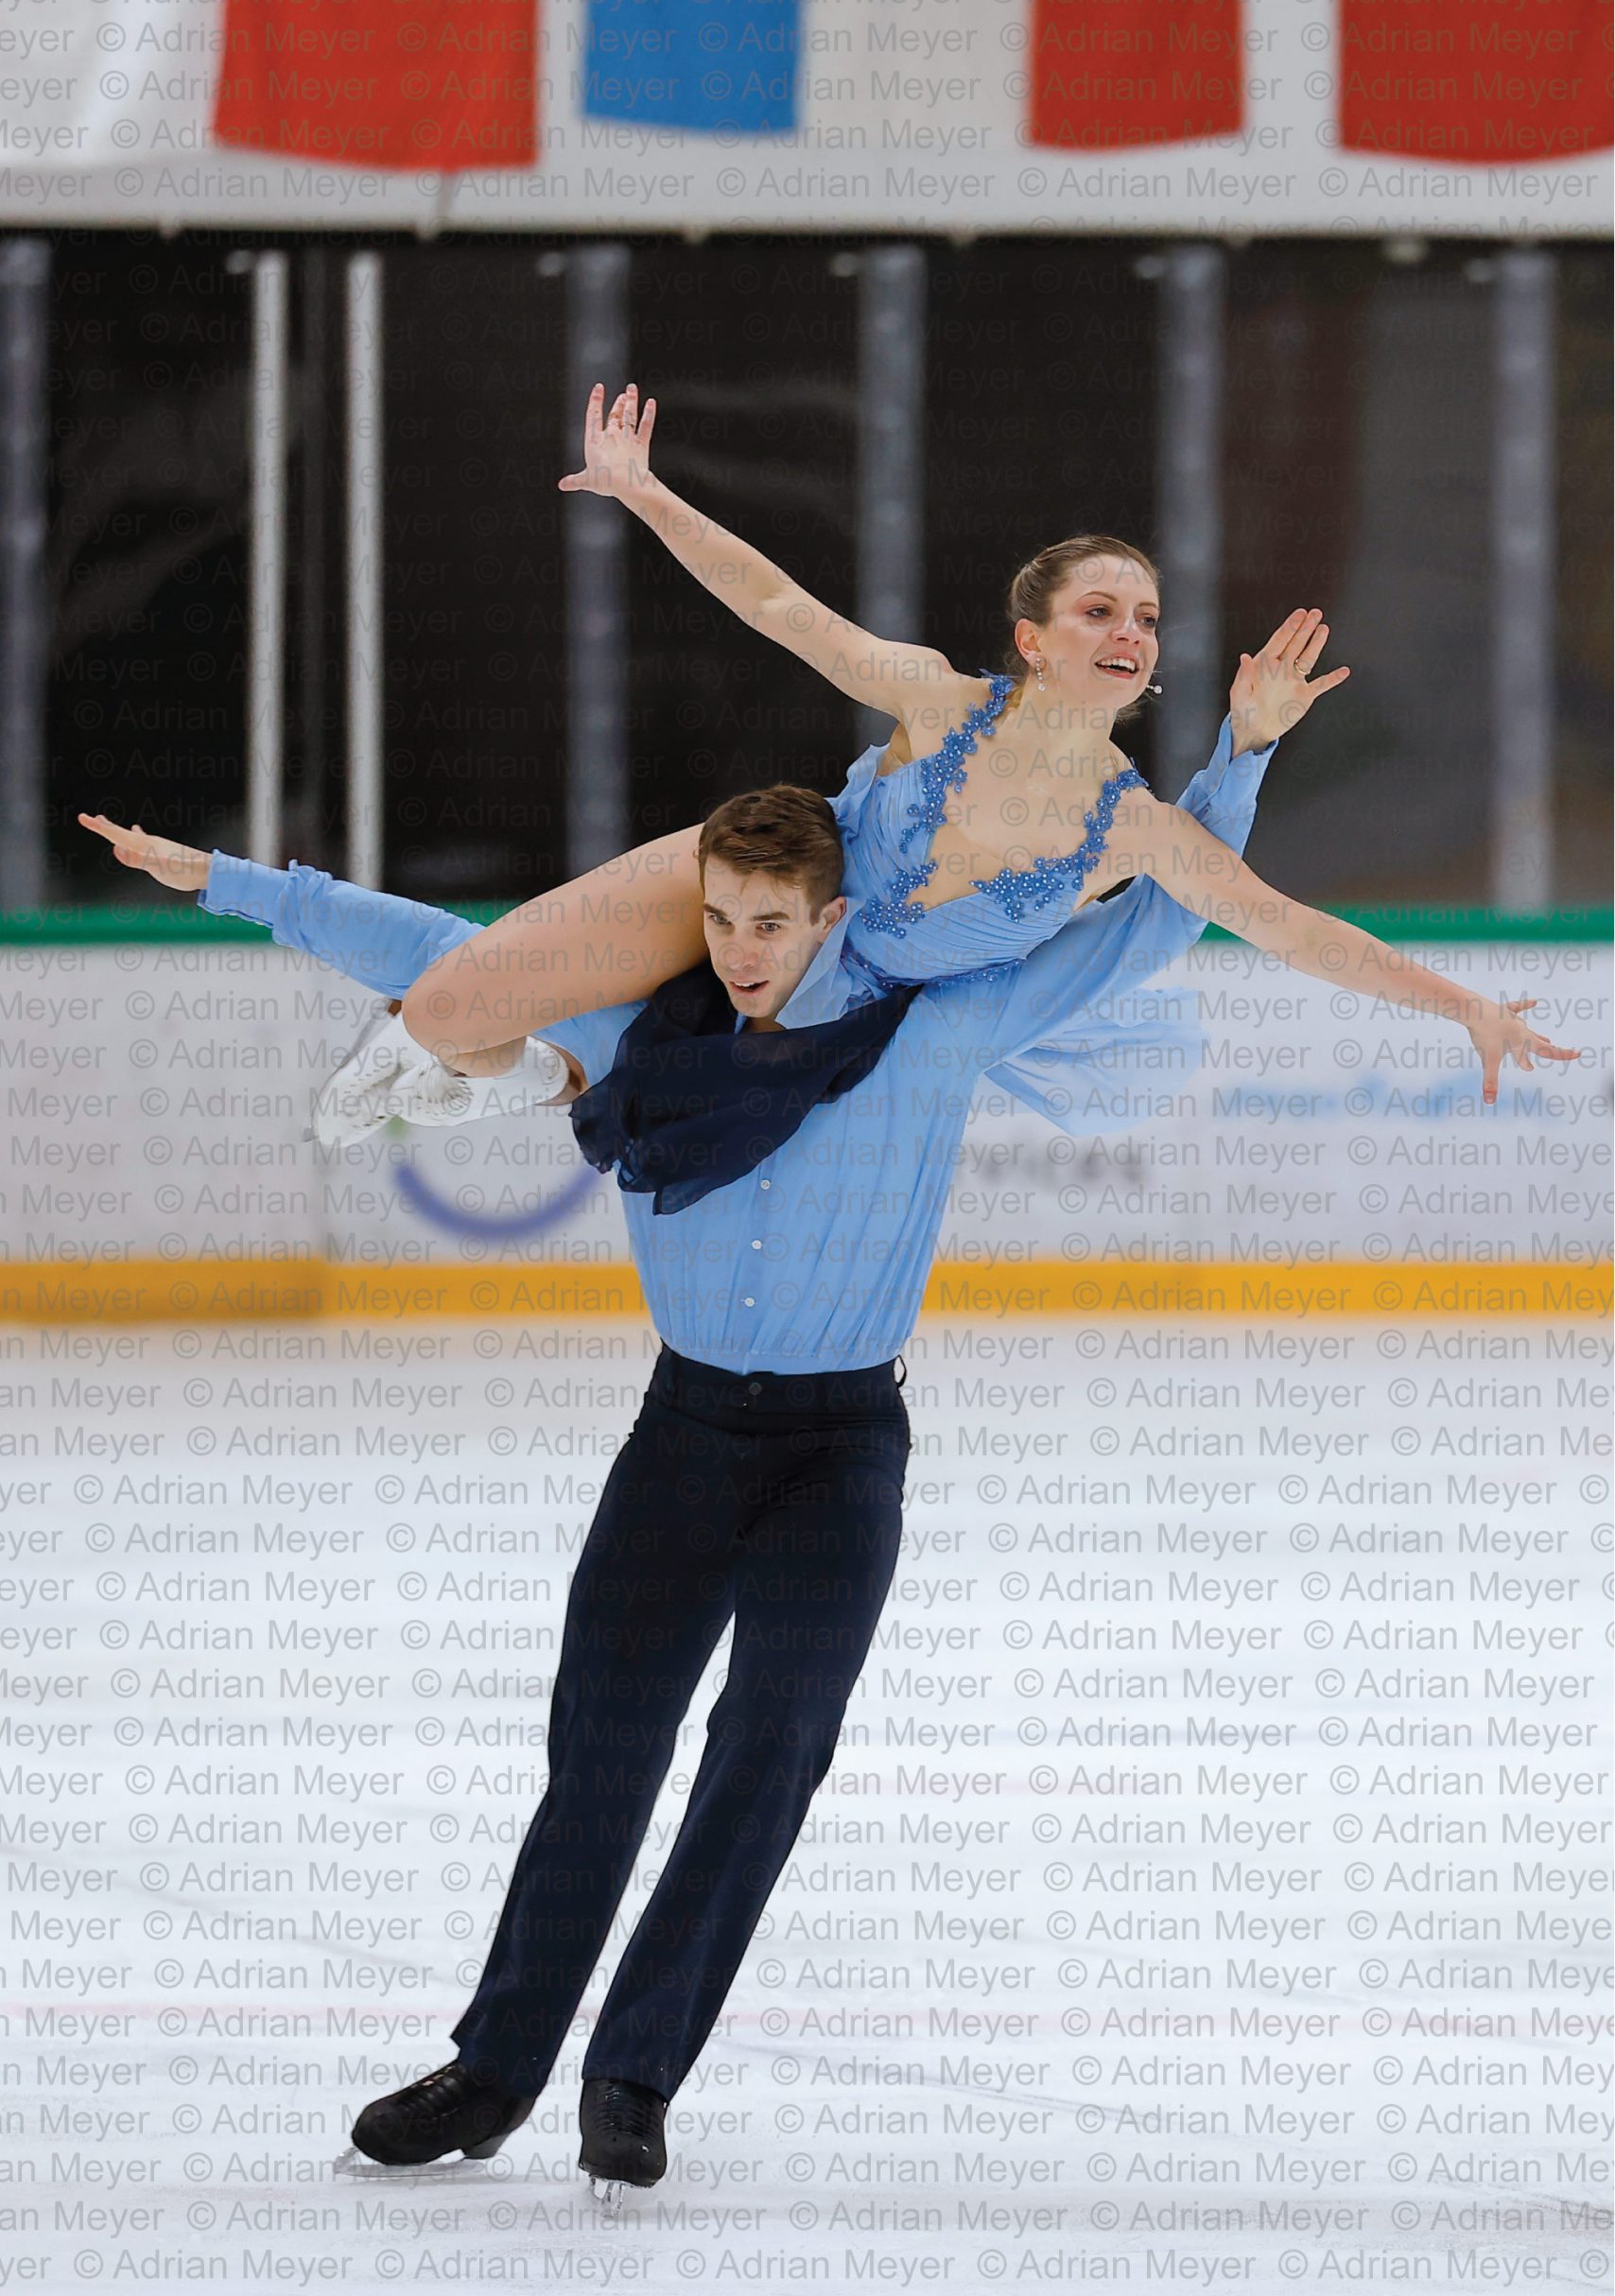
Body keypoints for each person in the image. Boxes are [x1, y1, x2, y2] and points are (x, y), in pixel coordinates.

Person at [78, 763, 1572, 2203]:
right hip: (678, 1440)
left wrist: (1241, 758)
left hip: (839, 1453)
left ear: (832, 918)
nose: (740, 952)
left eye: (771, 924)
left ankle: (633, 2079)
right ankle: (492, 2071)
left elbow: (1159, 920)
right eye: (720, 919)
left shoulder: (935, 1030)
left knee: (768, 1751)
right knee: (600, 1757)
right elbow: (443, 957)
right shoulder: (640, 1028)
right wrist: (230, 883)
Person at [395, 385, 1355, 1137]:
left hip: (835, 1036)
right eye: (1099, 611)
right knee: (459, 1016)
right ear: (1031, 639)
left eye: (1146, 618)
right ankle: (463, 1052)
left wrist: (1249, 744)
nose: (1129, 633)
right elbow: (776, 606)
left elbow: (1249, 912)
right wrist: (646, 493)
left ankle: (535, 1072)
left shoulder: (1125, 825)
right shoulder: (940, 703)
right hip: (766, 895)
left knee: (641, 1109)